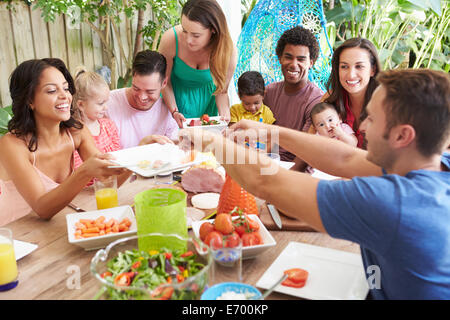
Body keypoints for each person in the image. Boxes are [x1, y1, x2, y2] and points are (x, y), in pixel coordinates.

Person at [180, 69, 450, 299]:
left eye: (373, 119)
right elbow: (345, 158)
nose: (363, 126)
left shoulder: (394, 203)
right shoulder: (432, 162)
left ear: (403, 135)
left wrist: (212, 142)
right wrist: (272, 131)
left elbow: (267, 183)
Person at [0, 58, 129, 226]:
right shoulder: (12, 144)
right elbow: (42, 208)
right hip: (15, 234)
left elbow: (108, 180)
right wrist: (85, 171)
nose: (65, 96)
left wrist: (140, 155)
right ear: (29, 100)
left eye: (66, 88)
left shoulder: (76, 132)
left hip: (56, 226)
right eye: (52, 91)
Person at [159, 0, 237, 127]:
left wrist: (225, 117)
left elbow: (221, 91)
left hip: (206, 111)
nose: (188, 40)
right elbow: (163, 82)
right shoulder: (171, 40)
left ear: (213, 30)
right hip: (171, 107)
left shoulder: (228, 51)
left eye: (196, 35)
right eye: (184, 30)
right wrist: (174, 112)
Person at [263, 26, 323, 167]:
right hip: (264, 161)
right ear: (280, 58)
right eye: (288, 57)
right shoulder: (268, 92)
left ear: (311, 63)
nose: (293, 64)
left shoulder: (316, 100)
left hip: (294, 168)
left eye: (301, 59)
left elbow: (305, 151)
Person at [106, 50, 178, 149]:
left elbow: (175, 149)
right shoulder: (107, 104)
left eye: (150, 92)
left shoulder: (166, 109)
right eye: (136, 88)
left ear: (164, 83)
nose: (142, 97)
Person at [321, 37, 381, 149]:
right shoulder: (331, 98)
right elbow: (312, 140)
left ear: (373, 70)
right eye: (344, 66)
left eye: (359, 66)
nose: (351, 75)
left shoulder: (387, 102)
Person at [72, 67, 121, 168]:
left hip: (112, 181)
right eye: (100, 103)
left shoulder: (109, 126)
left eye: (106, 102)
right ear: (81, 105)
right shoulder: (74, 133)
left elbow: (118, 157)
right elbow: (78, 169)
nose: (105, 107)